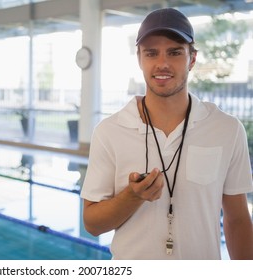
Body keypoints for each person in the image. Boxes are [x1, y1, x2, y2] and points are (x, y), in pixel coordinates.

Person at [81, 8, 253, 259]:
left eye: (174, 52)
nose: (162, 63)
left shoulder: (226, 129)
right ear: (140, 58)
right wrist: (132, 196)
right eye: (151, 53)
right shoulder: (110, 131)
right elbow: (92, 224)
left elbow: (237, 219)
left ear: (192, 59)